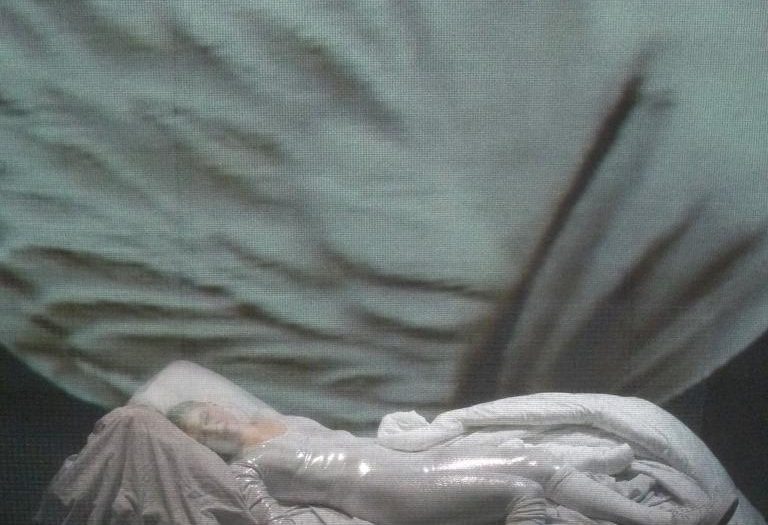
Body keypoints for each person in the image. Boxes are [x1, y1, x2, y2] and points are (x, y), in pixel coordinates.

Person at [166, 400, 719, 525]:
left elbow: (354, 440)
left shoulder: (286, 423)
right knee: (519, 490)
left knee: (529, 460)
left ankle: (657, 521)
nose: (213, 426)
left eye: (208, 414)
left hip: (405, 464)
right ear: (200, 443)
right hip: (384, 494)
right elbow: (269, 518)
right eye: (200, 431)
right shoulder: (246, 466)